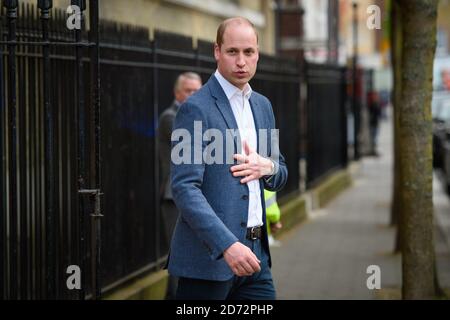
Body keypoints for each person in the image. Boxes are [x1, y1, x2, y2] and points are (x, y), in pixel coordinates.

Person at [167, 17, 288, 300]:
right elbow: (184, 188)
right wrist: (226, 245)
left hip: (257, 260)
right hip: (208, 264)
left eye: (249, 52)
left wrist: (266, 166)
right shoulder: (194, 109)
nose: (242, 61)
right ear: (217, 52)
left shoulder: (263, 105)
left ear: (258, 53)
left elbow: (280, 173)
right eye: (233, 52)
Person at [157, 72, 202, 299]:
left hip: (194, 196)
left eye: (197, 90)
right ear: (177, 93)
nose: (194, 95)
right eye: (189, 90)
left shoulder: (197, 116)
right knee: (179, 257)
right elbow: (192, 144)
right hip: (173, 198)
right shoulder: (170, 117)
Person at [368, 91, 382, 156]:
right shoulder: (373, 105)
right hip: (373, 124)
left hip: (375, 123)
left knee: (375, 138)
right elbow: (377, 114)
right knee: (374, 138)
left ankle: (373, 150)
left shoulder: (375, 104)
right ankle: (373, 151)